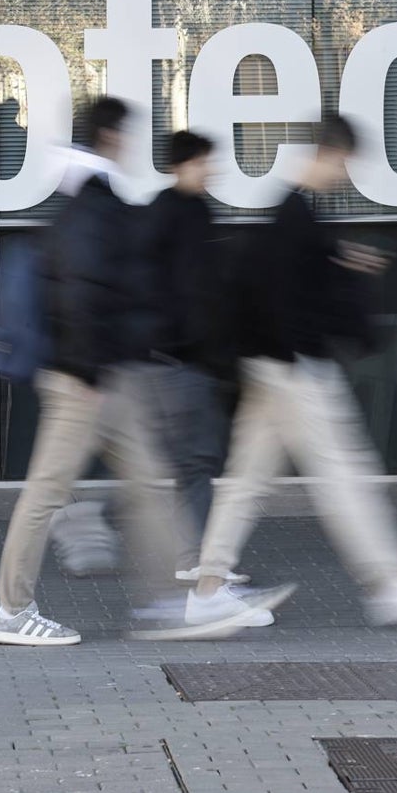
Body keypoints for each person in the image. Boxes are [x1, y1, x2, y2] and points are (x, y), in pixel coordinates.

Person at [0, 99, 283, 647]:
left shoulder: (94, 199)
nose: (130, 144)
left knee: (148, 484)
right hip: (85, 378)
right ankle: (12, 610)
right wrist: (92, 374)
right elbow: (81, 296)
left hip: (103, 374)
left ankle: (187, 600)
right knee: (47, 492)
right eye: (125, 134)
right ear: (109, 136)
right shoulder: (93, 206)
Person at [187, 114, 397, 629]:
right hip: (292, 368)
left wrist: (338, 262)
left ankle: (208, 589)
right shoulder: (295, 215)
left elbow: (283, 281)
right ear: (334, 154)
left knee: (246, 482)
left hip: (268, 367)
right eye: (345, 164)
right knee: (345, 472)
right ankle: (394, 586)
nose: (346, 175)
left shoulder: (293, 213)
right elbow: (287, 293)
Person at [131, 132, 249, 589]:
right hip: (180, 359)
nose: (212, 169)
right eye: (205, 161)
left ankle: (193, 555)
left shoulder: (179, 212)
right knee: (195, 462)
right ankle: (195, 557)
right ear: (184, 165)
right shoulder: (174, 216)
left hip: (179, 358)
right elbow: (188, 294)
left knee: (184, 463)